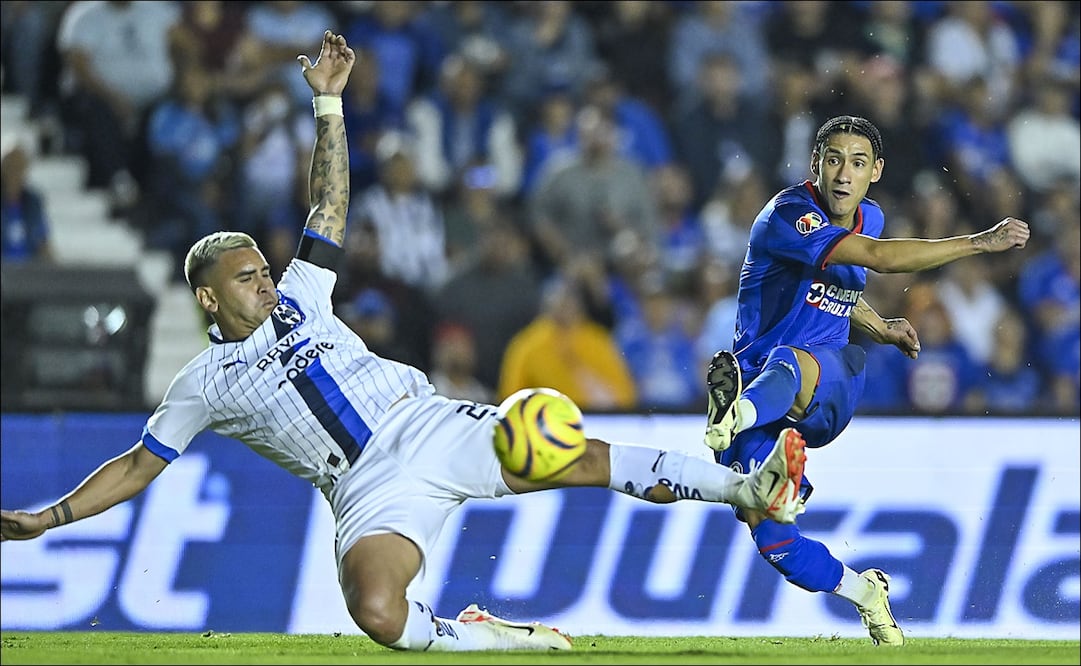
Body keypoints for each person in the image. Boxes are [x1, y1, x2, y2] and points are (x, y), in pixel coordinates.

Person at [0, 31, 810, 654]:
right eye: (248, 277)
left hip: (424, 425)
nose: (267, 280)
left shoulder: (305, 293)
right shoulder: (203, 382)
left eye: (263, 268)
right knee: (378, 614)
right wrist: (52, 515)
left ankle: (747, 489)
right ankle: (483, 637)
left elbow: (327, 210)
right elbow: (141, 464)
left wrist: (329, 107)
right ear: (209, 296)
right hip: (363, 489)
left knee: (581, 459)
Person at [700, 114, 1031, 647]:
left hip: (827, 382)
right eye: (833, 160)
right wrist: (887, 320)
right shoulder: (789, 214)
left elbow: (857, 272)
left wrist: (882, 325)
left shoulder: (868, 218)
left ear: (875, 171)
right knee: (773, 539)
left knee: (793, 357)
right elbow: (852, 272)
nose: (842, 174)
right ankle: (866, 595)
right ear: (816, 164)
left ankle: (729, 414)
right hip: (763, 385)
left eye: (857, 163)